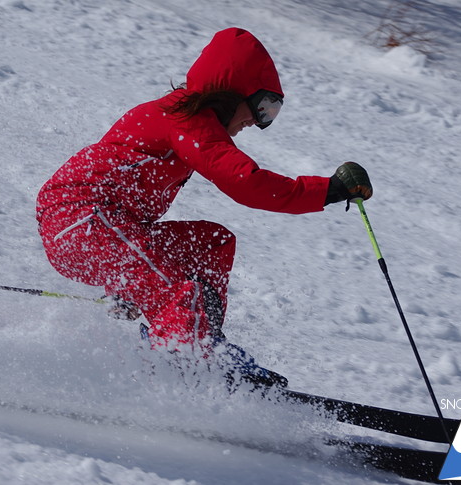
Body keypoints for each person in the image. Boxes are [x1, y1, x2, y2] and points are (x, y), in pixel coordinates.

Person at [36, 28, 372, 360]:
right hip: (82, 221)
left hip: (104, 225)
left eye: (271, 113)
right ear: (233, 92)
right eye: (263, 106)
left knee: (212, 243)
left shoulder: (187, 118)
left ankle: (201, 341)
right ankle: (184, 364)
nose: (258, 121)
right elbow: (245, 182)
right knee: (173, 291)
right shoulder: (185, 117)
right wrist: (327, 190)